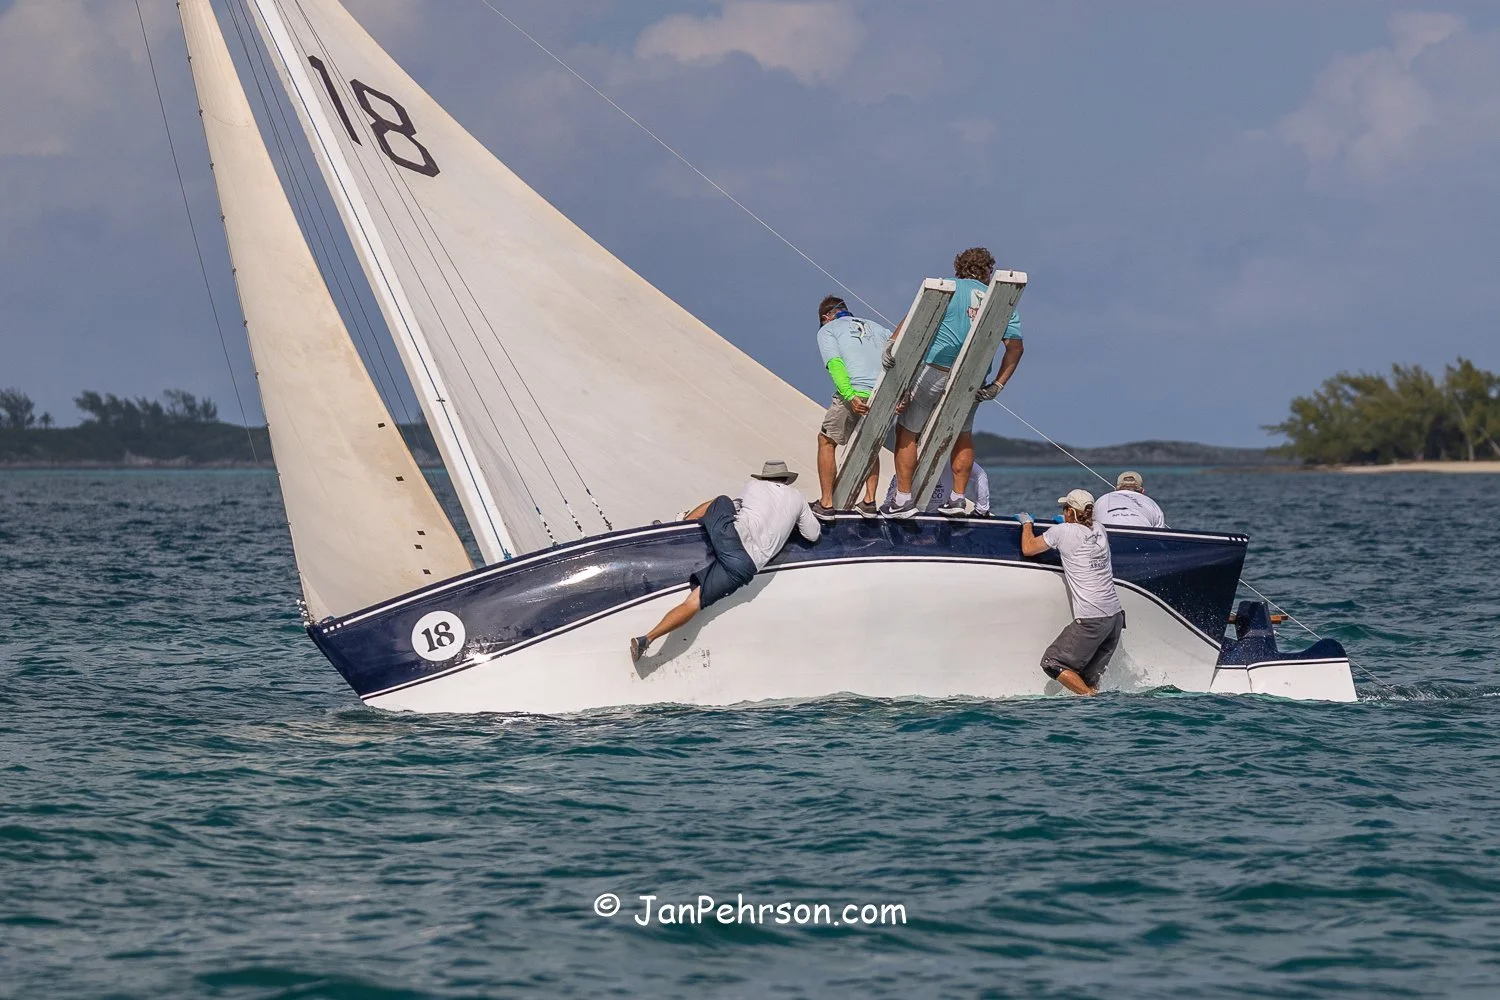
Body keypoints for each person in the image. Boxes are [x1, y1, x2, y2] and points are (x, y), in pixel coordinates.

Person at [879, 247, 1024, 518]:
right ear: (988, 272)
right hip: (973, 379)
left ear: (959, 267)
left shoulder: (949, 288)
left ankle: (902, 499)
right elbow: (1015, 349)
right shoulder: (1001, 301)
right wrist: (998, 384)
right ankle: (958, 499)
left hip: (935, 370)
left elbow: (914, 321)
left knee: (907, 431)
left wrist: (890, 345)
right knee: (962, 433)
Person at [630, 461, 821, 661]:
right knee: (694, 602)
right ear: (786, 480)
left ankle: (677, 528)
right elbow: (813, 534)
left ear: (765, 478)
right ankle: (646, 639)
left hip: (731, 536)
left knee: (721, 501)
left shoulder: (754, 486)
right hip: (745, 566)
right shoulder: (798, 498)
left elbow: (735, 506)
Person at [1017, 489, 1125, 696]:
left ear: (1069, 512)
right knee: (1087, 680)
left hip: (1093, 618)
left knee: (1052, 663)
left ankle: (1089, 698)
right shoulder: (1100, 529)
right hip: (1115, 619)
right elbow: (1080, 539)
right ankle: (1093, 710)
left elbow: (1029, 549)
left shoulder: (1063, 532)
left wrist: (1027, 524)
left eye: (1064, 508)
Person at [811, 295, 892, 520]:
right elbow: (897, 357)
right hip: (881, 394)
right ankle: (869, 501)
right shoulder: (878, 327)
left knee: (826, 440)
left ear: (826, 317)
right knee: (869, 444)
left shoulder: (827, 330)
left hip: (853, 393)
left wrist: (850, 395)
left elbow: (835, 365)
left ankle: (826, 503)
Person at [884, 464, 992, 515]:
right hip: (942, 518)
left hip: (913, 516)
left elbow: (898, 481)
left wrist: (888, 505)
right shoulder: (957, 460)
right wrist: (981, 510)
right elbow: (981, 476)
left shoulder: (910, 460)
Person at [1095, 471, 1166, 528]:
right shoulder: (1152, 504)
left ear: (1116, 489)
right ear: (1142, 491)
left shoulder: (1100, 500)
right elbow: (1161, 536)